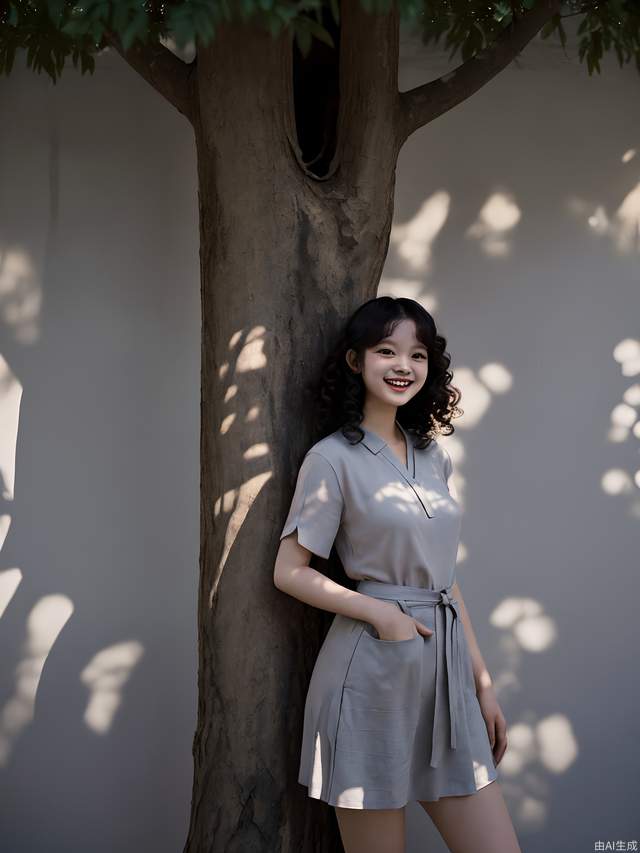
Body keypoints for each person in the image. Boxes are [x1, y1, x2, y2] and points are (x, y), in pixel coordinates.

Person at [273, 296, 521, 853]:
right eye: (387, 350)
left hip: (445, 675)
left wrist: (481, 684)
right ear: (356, 361)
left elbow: (445, 579)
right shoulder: (330, 458)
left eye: (418, 353)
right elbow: (289, 572)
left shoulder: (433, 456)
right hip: (370, 673)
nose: (403, 365)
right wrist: (382, 613)